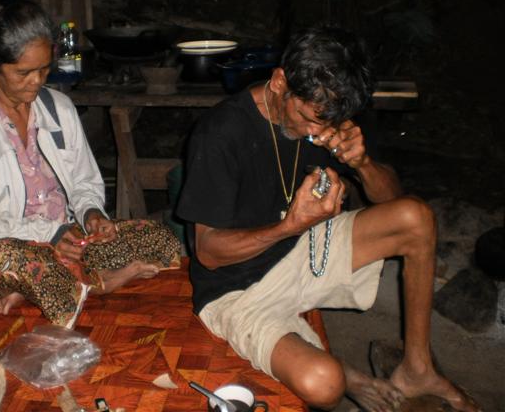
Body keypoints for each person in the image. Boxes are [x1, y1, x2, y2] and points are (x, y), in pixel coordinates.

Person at [176, 26, 478, 411]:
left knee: (416, 218)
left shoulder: (326, 112)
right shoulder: (220, 133)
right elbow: (208, 253)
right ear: (280, 81)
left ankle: (417, 369)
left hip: (305, 249)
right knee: (325, 384)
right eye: (308, 118)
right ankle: (341, 370)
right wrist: (290, 225)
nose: (317, 132)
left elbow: (394, 201)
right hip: (236, 288)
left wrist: (362, 163)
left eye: (328, 122)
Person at [0, 0, 180, 328]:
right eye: (23, 72)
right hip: (5, 251)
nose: (37, 81)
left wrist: (91, 215)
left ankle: (42, 287)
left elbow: (84, 182)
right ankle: (92, 282)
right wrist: (48, 232)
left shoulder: (60, 109)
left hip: (67, 240)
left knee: (159, 239)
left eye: (43, 69)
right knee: (5, 259)